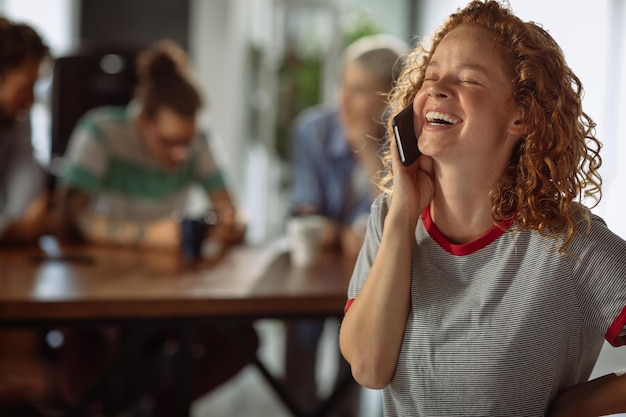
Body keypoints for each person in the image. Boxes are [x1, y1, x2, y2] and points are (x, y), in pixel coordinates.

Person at [339, 1, 626, 416]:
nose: (436, 89)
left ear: (521, 117)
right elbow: (368, 367)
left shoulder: (570, 244)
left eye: (469, 79)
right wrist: (402, 215)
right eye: (432, 76)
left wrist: (581, 405)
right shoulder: (389, 217)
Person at [53, 40, 256, 416]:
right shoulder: (101, 132)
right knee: (86, 362)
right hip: (101, 284)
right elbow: (68, 220)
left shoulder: (197, 140)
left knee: (239, 340)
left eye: (187, 143)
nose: (181, 155)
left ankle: (161, 409)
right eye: (169, 143)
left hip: (166, 285)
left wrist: (229, 225)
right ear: (143, 120)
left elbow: (232, 210)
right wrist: (144, 235)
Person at [287, 34, 407, 415]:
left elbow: (398, 219)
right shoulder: (313, 130)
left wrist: (369, 152)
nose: (342, 100)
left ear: (390, 98)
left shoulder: (406, 143)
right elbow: (306, 216)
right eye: (343, 85)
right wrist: (345, 234)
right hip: (312, 277)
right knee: (299, 356)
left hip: (367, 280)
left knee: (355, 363)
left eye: (357, 91)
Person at [0, 16, 51, 244]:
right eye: (25, 87)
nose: (31, 100)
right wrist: (13, 229)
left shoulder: (15, 115)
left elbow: (25, 161)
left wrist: (18, 223)